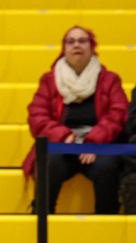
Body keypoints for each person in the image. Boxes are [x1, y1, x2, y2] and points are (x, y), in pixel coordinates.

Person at [25, 26, 128, 215]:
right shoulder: (49, 80)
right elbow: (37, 115)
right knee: (49, 163)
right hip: (62, 144)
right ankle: (41, 223)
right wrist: (62, 135)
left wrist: (95, 141)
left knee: (107, 166)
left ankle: (107, 224)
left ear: (92, 47)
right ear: (64, 48)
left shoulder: (110, 79)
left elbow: (119, 113)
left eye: (82, 41)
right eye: (71, 41)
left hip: (99, 144)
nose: (77, 45)